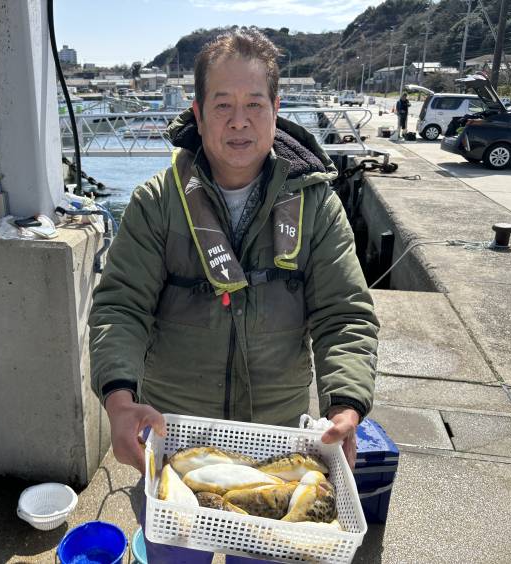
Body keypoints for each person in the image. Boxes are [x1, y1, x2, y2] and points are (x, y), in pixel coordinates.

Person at [89, 28, 379, 563]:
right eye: (222, 105)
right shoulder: (156, 202)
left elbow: (343, 314)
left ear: (276, 109)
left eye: (254, 104)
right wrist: (119, 399)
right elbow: (121, 305)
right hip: (176, 438)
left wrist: (344, 404)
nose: (239, 121)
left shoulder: (316, 205)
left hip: (276, 439)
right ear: (198, 115)